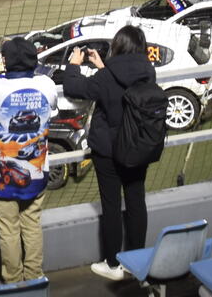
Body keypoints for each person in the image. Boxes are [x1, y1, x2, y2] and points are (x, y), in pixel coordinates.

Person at [60, 25, 158, 281]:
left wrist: (74, 64)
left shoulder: (107, 78)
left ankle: (113, 264)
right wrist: (103, 67)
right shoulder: (148, 70)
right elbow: (122, 89)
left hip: (109, 151)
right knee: (136, 201)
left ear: (118, 46)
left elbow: (74, 88)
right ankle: (136, 262)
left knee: (112, 206)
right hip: (138, 148)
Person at [0, 37, 58, 285]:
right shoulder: (46, 84)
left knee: (8, 231)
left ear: (6, 62)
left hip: (3, 173)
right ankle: (34, 278)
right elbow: (51, 100)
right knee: (31, 225)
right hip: (36, 170)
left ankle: (13, 282)